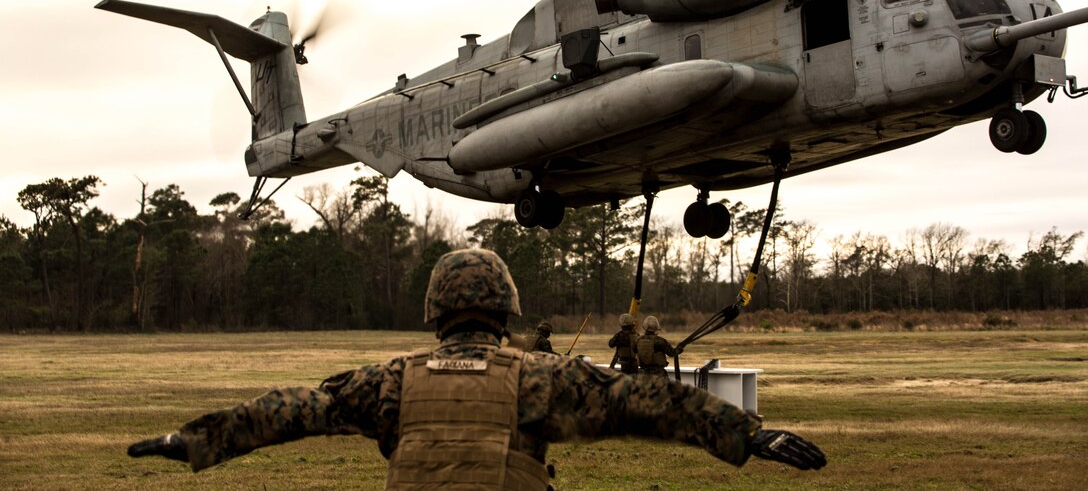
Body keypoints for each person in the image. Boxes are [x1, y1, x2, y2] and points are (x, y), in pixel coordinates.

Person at [127, 248, 826, 487]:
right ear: (507, 311)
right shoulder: (540, 380)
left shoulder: (389, 382)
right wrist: (751, 435)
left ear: (435, 312)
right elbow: (653, 403)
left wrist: (194, 439)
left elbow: (290, 410)